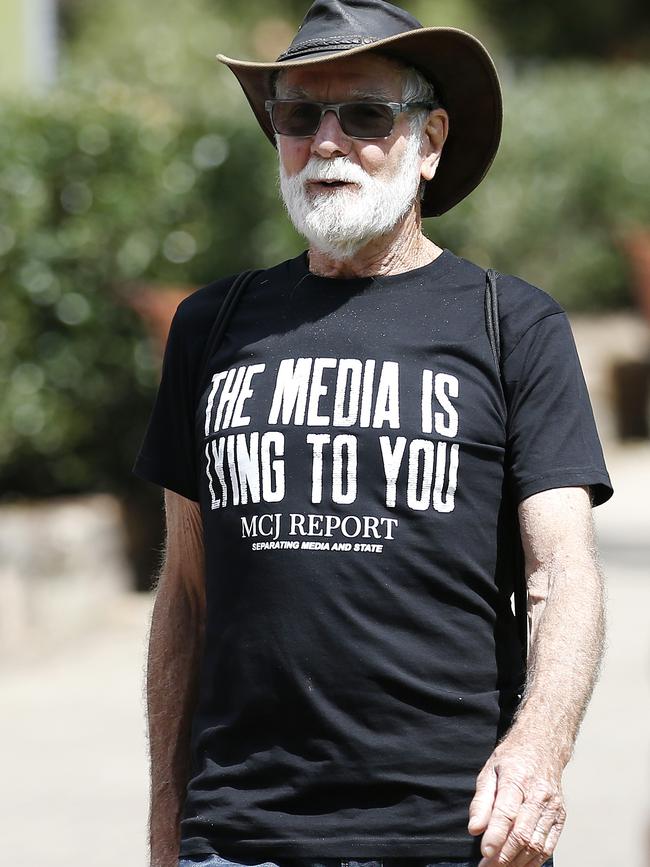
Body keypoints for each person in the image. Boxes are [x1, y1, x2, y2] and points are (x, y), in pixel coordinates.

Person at [132, 2, 614, 867]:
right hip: (239, 834)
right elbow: (186, 596)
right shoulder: (213, 326)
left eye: (364, 114)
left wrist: (539, 749)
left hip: (454, 832)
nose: (325, 143)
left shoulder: (514, 324)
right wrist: (168, 818)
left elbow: (561, 572)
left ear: (429, 141)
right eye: (296, 115)